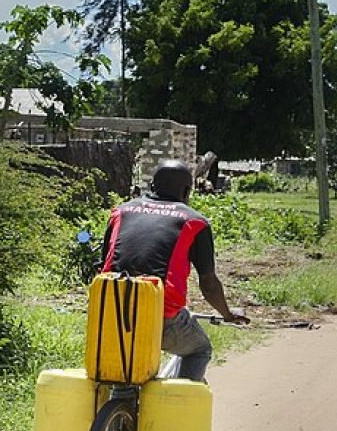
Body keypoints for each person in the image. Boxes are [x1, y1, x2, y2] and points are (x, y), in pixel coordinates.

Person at [100, 160, 250, 381]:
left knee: (124, 373)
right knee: (199, 350)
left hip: (109, 308)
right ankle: (179, 406)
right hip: (160, 313)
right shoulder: (194, 221)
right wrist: (227, 314)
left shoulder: (120, 212)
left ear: (152, 186)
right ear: (187, 191)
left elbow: (105, 263)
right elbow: (208, 284)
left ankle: (119, 405)